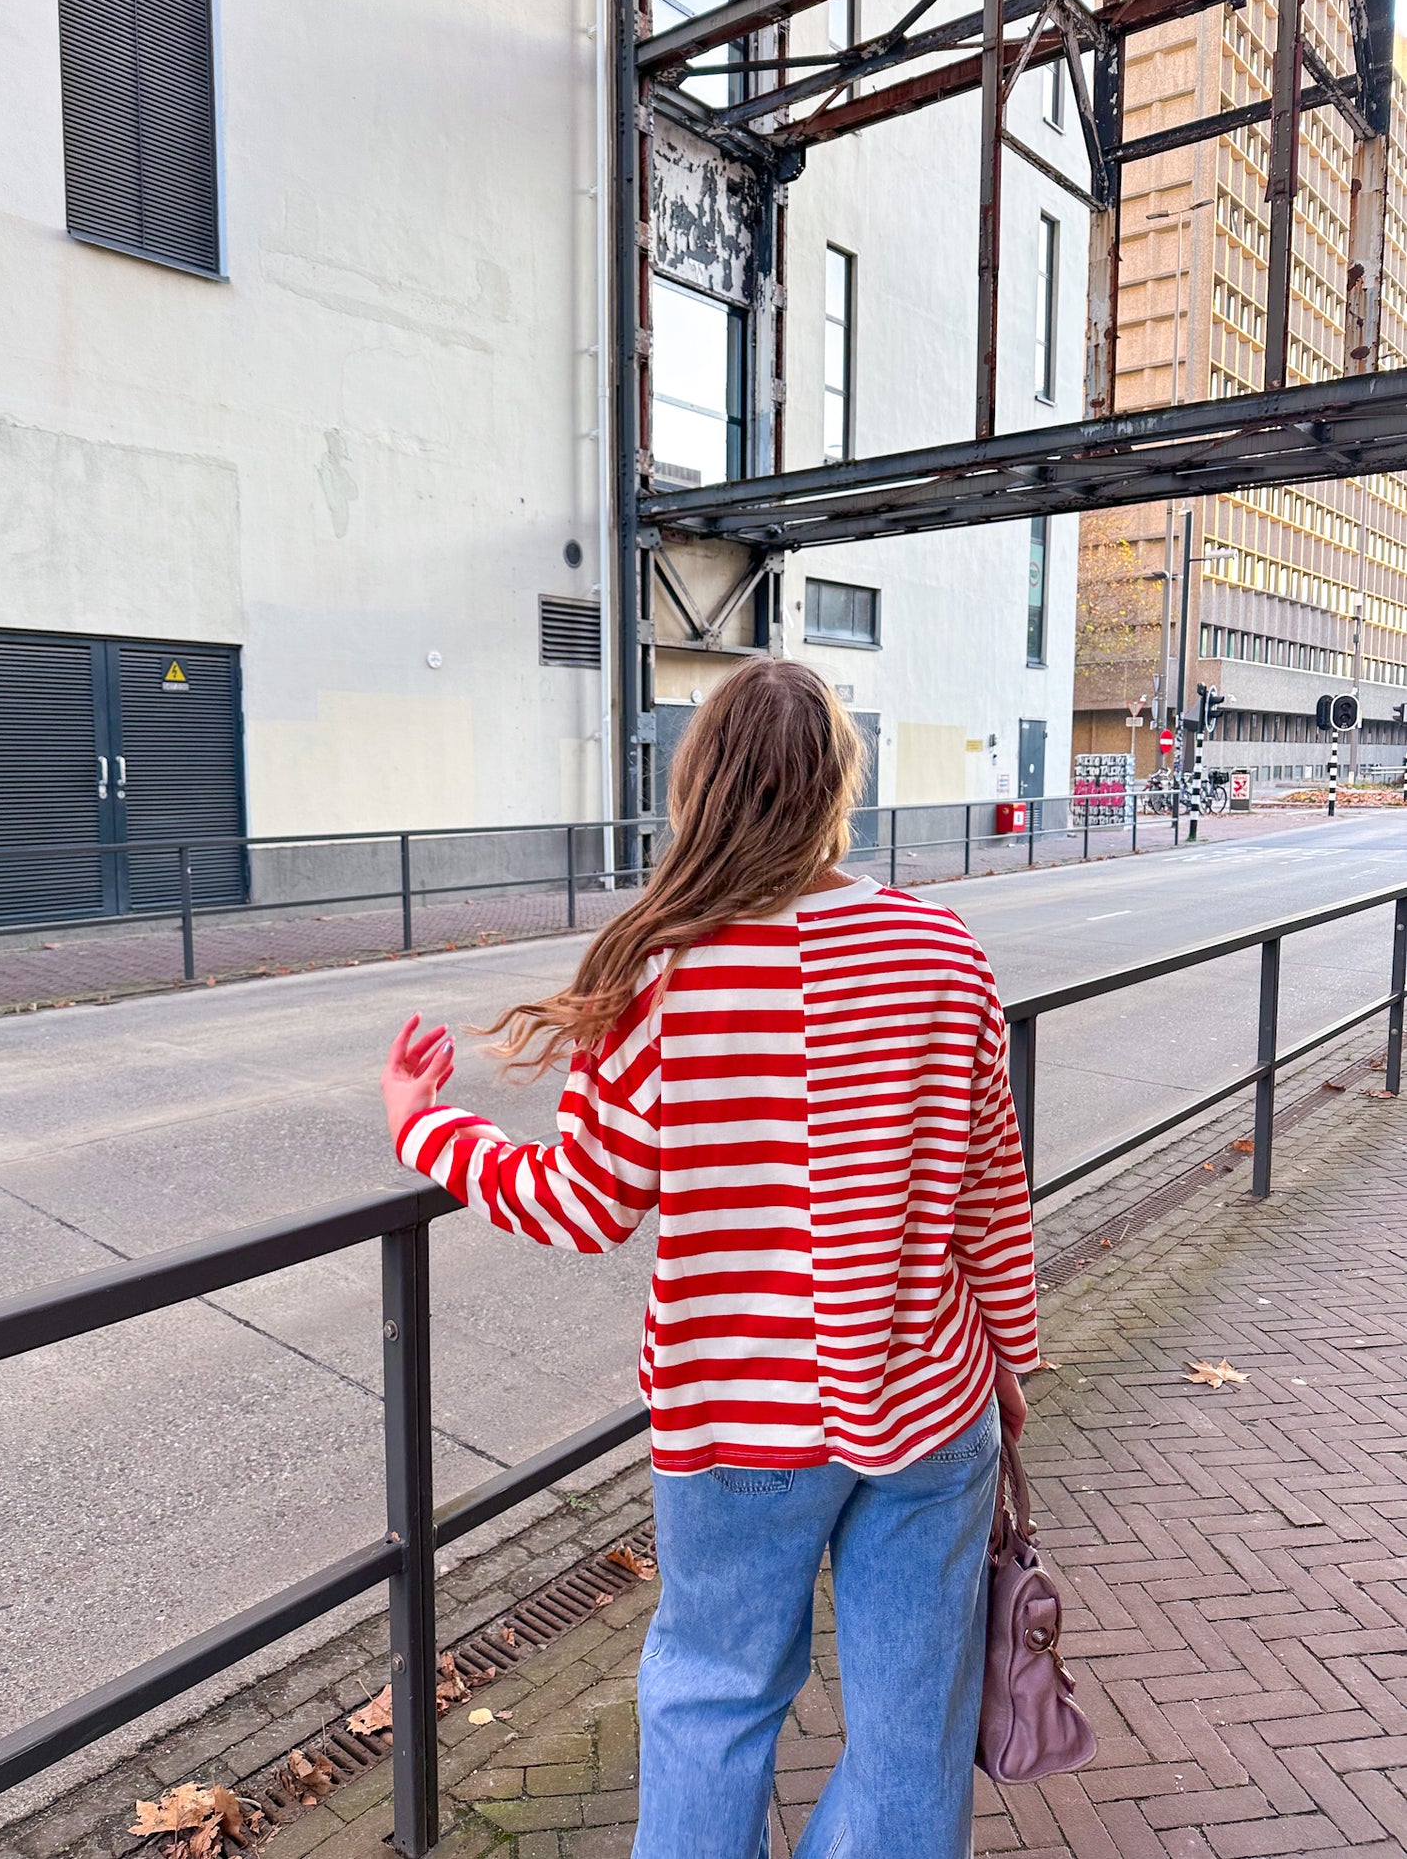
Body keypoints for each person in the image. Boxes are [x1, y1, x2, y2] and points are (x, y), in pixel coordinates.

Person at [381, 659, 1038, 1859]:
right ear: (838, 783)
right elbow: (989, 1190)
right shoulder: (940, 950)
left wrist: (425, 1127)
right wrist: (1011, 1361)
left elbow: (583, 1201)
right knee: (909, 1737)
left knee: (712, 1701)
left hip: (735, 1422)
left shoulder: (663, 973)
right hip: (930, 1403)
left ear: (701, 789)